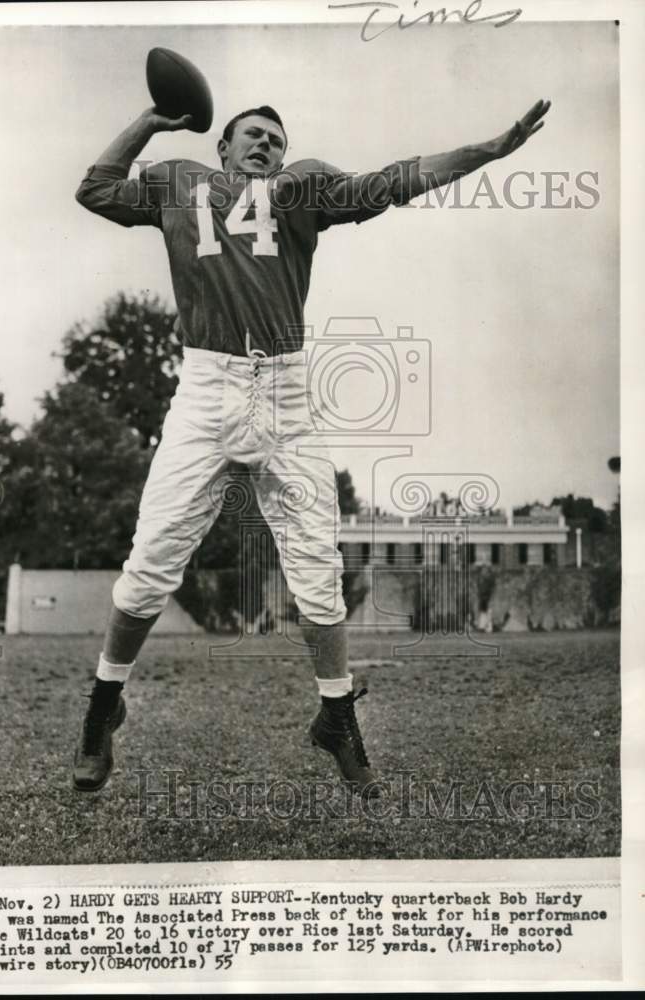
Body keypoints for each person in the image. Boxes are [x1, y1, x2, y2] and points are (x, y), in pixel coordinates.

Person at [72, 98, 550, 795]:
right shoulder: (178, 180)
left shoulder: (301, 187)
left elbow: (393, 179)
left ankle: (335, 716)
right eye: (252, 137)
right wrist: (151, 119)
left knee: (316, 567)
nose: (265, 145)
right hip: (207, 385)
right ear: (225, 150)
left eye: (275, 138)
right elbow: (94, 189)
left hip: (286, 392)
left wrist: (486, 151)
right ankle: (102, 706)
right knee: (150, 564)